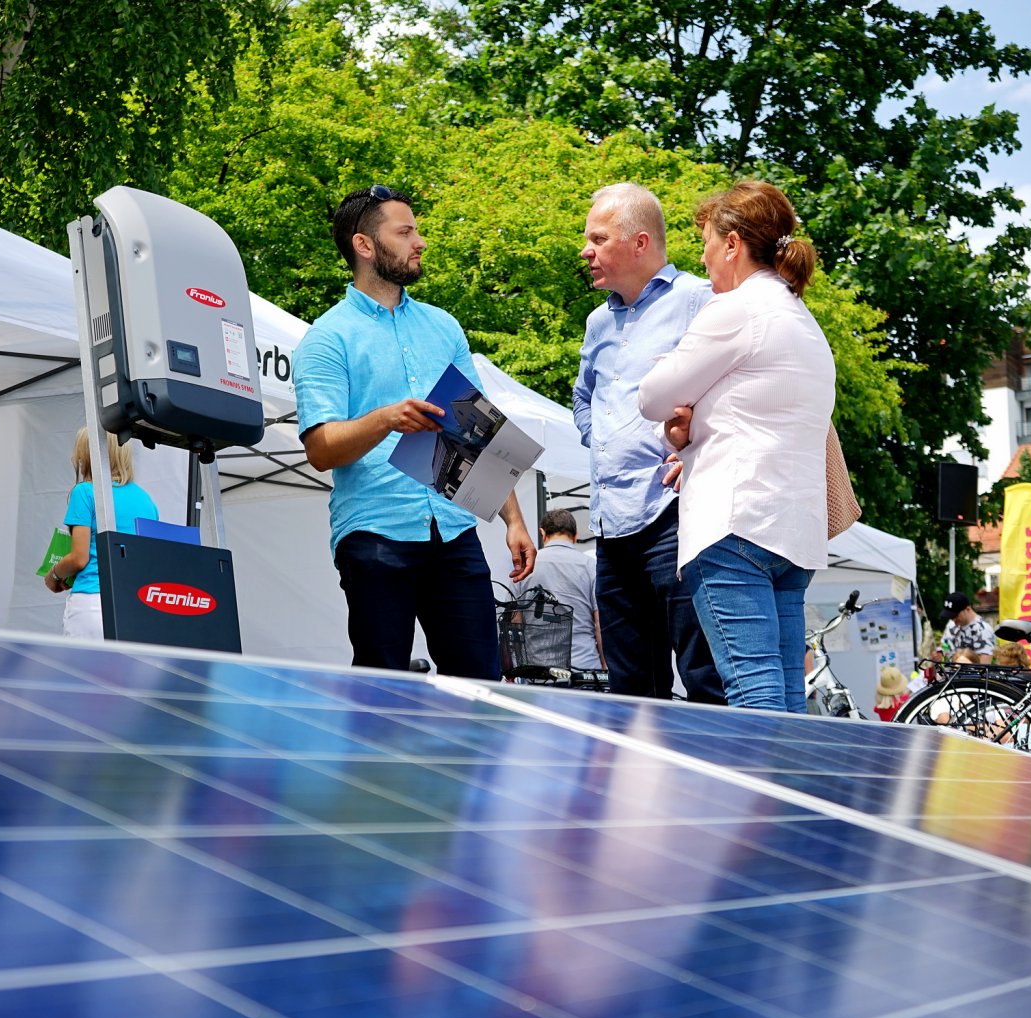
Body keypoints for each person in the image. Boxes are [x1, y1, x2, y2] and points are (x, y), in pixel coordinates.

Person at [293, 185, 535, 680]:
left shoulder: (444, 327)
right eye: (405, 232)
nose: (420, 241)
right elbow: (319, 450)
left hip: (454, 527)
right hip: (374, 534)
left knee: (482, 685)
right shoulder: (326, 337)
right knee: (382, 686)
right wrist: (385, 418)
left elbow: (476, 426)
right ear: (364, 245)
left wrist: (513, 518)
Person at [637, 180, 835, 711]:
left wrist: (675, 413)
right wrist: (685, 428)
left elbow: (654, 397)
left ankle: (764, 797)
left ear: (732, 244)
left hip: (733, 523)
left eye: (706, 241)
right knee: (789, 695)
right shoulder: (805, 324)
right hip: (794, 532)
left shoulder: (734, 311)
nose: (701, 257)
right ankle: (796, 793)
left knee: (752, 690)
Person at [572, 182, 725, 705]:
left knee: (705, 675)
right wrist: (608, 445)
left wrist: (697, 451)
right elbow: (583, 399)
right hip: (610, 525)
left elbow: (736, 388)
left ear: (640, 243)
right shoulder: (597, 323)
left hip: (675, 517)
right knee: (631, 687)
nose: (584, 251)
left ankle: (720, 785)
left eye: (597, 238)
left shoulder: (699, 301)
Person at [44, 427, 158, 638]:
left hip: (93, 603)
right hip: (135, 606)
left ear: (87, 455)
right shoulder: (146, 501)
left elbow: (79, 558)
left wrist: (53, 575)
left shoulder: (85, 492)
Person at [514, 508, 604, 670]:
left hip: (538, 672)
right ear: (575, 536)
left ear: (542, 534)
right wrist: (605, 668)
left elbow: (515, 621)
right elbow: (601, 624)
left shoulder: (525, 567)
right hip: (584, 668)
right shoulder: (591, 566)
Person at [940, 591, 994, 664]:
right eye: (950, 617)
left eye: (955, 615)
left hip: (970, 674)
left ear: (968, 609)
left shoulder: (983, 630)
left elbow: (984, 665)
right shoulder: (951, 625)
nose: (953, 619)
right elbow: (944, 649)